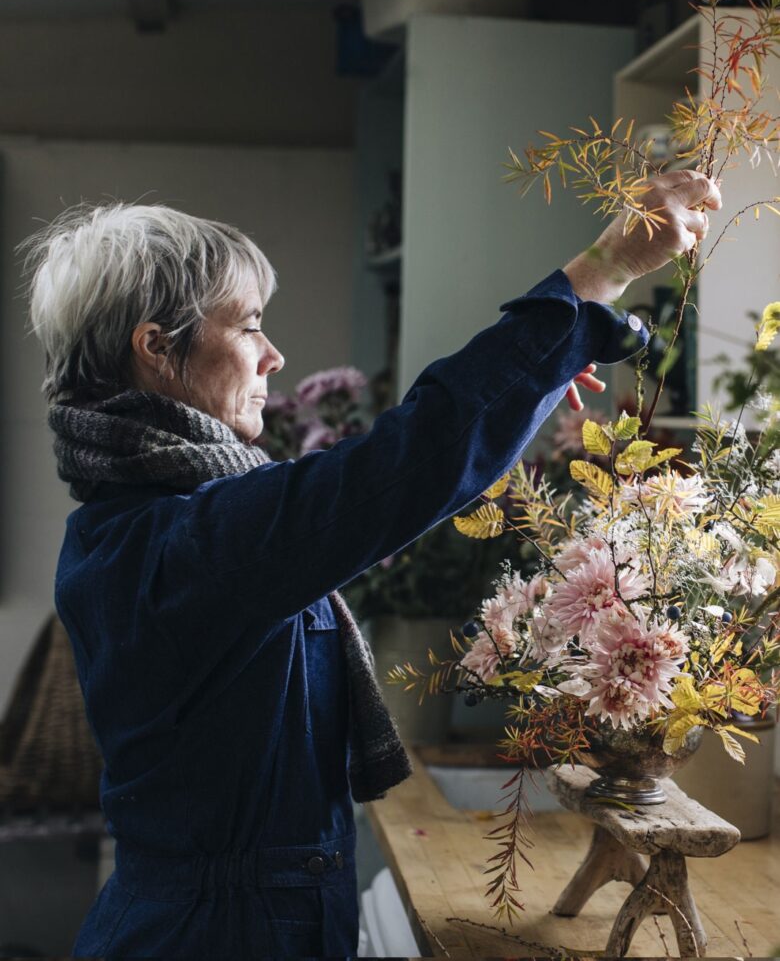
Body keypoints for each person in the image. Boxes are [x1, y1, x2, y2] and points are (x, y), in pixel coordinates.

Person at [23, 170, 720, 957]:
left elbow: (406, 478)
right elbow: (403, 466)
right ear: (156, 349)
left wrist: (537, 375)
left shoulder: (150, 526)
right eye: (249, 326)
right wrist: (604, 271)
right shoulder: (181, 546)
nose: (274, 355)